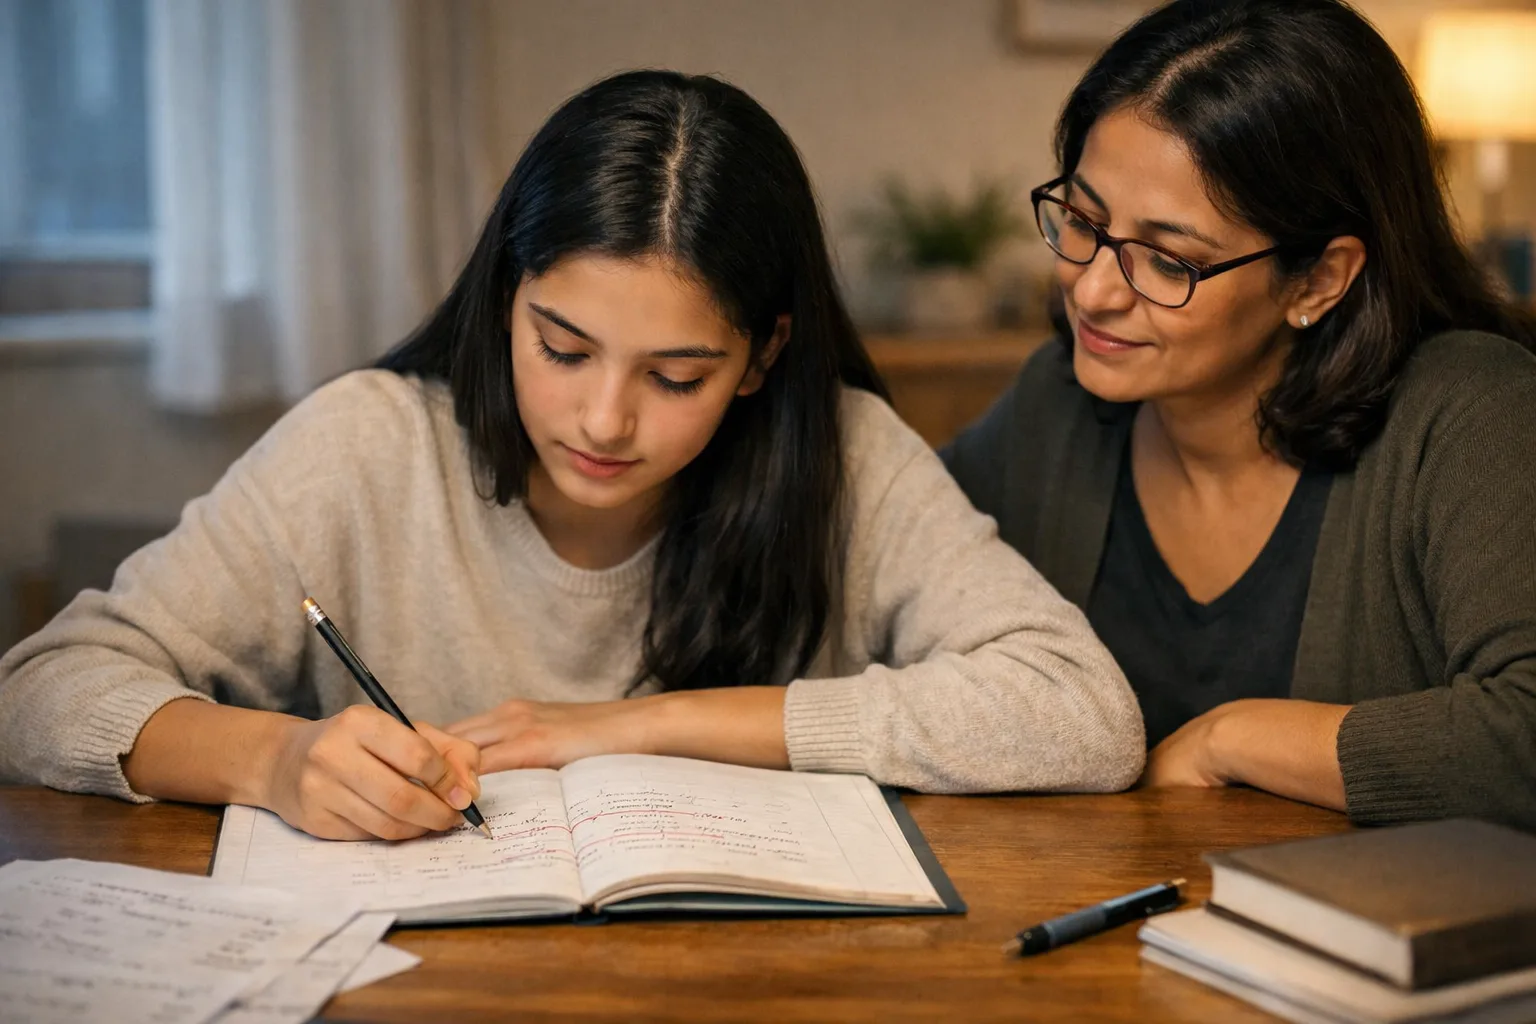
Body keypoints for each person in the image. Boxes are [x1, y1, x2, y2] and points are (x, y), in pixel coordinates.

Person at [0, 70, 1143, 841]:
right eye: (562, 346)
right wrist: (276, 762)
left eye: (676, 376)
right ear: (506, 302)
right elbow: (42, 689)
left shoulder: (844, 454)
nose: (603, 419)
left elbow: (1081, 715)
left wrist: (641, 724)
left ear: (761, 358)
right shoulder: (368, 443)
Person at [944, 0, 1536, 829]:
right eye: (1083, 220)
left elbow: (1523, 733)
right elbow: (880, 571)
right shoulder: (1059, 404)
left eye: (1170, 259)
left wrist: (1233, 740)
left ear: (1319, 280)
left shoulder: (1471, 412)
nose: (1093, 289)